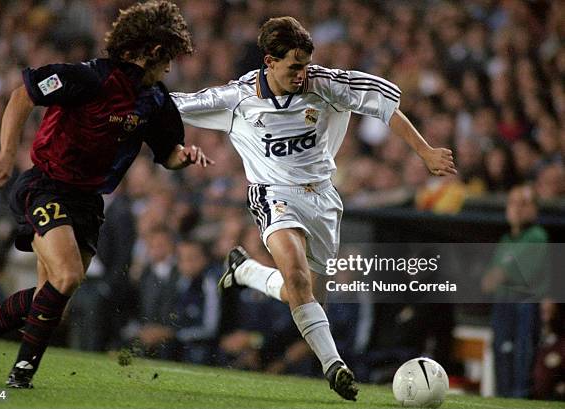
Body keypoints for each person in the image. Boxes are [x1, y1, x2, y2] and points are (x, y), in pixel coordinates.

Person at [172, 16, 456, 401]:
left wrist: (424, 151)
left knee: (302, 295)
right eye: (293, 66)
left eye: (306, 64)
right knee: (299, 279)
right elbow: (173, 105)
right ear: (269, 62)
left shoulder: (326, 84)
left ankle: (248, 271)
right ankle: (334, 366)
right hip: (273, 193)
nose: (302, 74)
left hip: (322, 198)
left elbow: (384, 105)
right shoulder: (237, 98)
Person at [0, 0, 212, 389]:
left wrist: (185, 156)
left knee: (54, 297)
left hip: (89, 201)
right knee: (68, 275)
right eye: (168, 56)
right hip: (47, 185)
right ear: (150, 52)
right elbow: (22, 96)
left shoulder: (156, 101)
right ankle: (20, 376)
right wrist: (7, 152)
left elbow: (168, 154)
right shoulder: (88, 77)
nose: (170, 66)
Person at [481, 184, 550, 398]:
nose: (517, 209)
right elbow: (488, 282)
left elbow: (521, 275)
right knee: (502, 355)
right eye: (513, 203)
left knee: (522, 356)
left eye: (524, 204)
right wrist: (501, 275)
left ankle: (520, 397)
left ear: (535, 209)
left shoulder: (537, 236)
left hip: (525, 305)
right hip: (502, 305)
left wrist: (502, 274)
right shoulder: (506, 240)